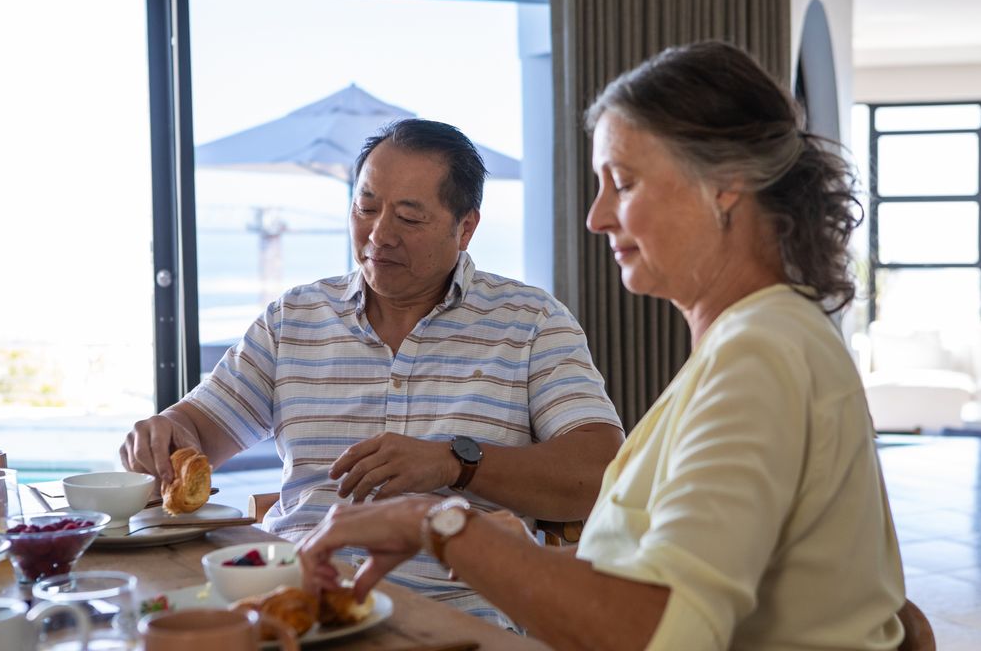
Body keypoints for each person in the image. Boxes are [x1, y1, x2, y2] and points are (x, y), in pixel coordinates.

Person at [297, 42, 907, 650]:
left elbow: (657, 632)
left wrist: (433, 522)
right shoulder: (767, 338)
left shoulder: (761, 356)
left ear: (725, 185)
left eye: (623, 182)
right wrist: (509, 555)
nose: (596, 216)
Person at [120, 119, 624, 628]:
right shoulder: (293, 319)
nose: (379, 235)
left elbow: (600, 473)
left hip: (453, 616)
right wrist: (165, 434)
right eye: (366, 208)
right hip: (292, 603)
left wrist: (455, 463)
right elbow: (198, 430)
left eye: (409, 217)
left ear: (466, 227)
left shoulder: (531, 321)